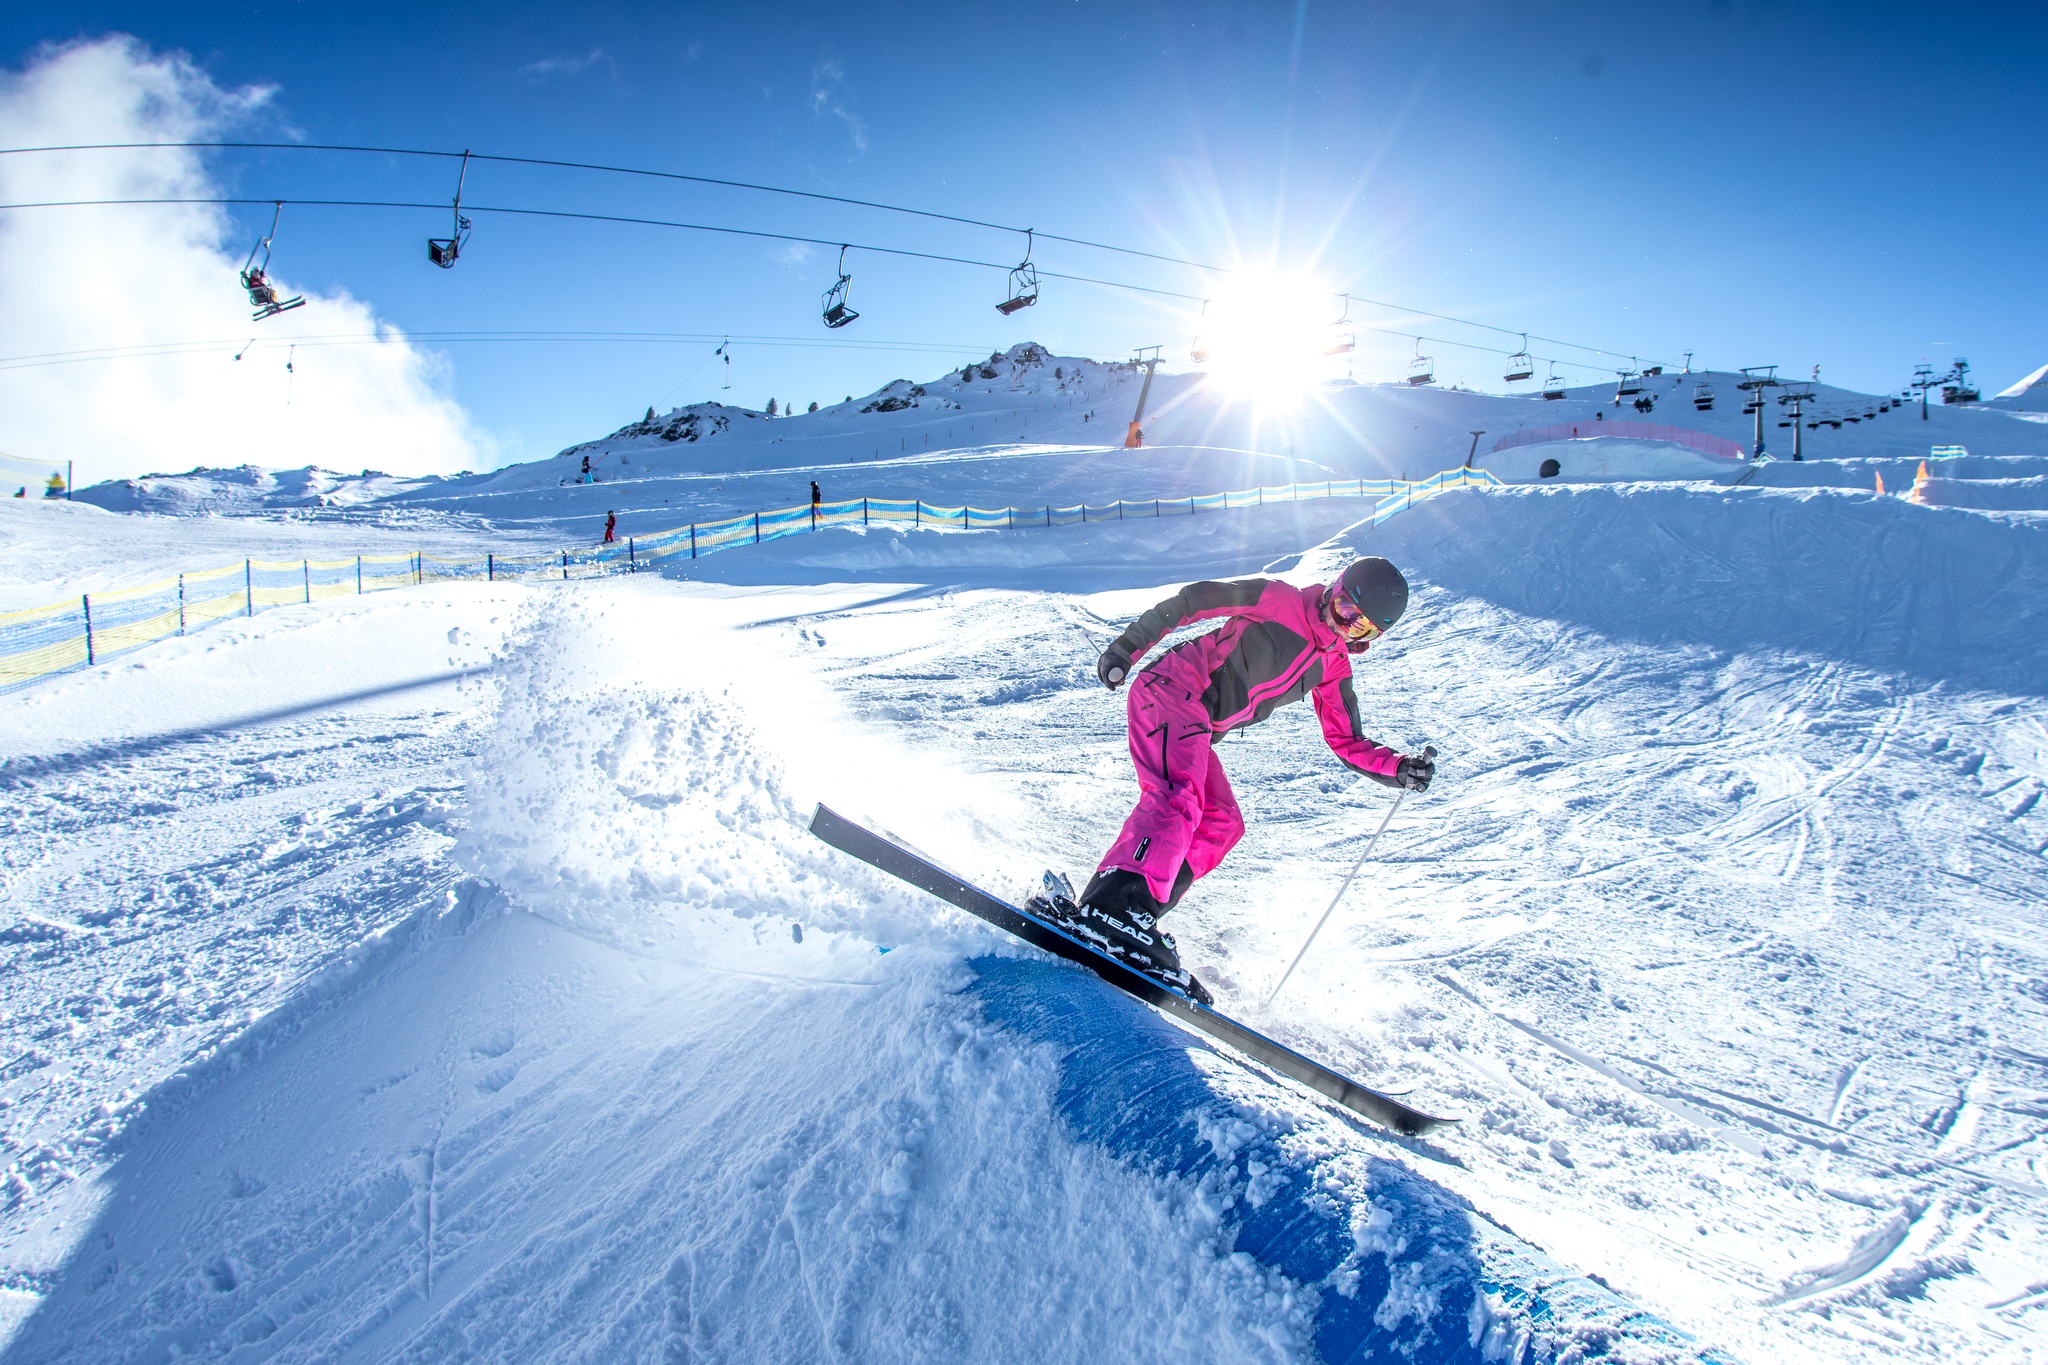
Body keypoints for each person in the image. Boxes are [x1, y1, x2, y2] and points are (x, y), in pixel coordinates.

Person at [1039, 558, 1434, 1004]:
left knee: (1222, 823)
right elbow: (1194, 602)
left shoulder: (1335, 666)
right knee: (1179, 797)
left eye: (1360, 628)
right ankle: (1114, 905)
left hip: (1198, 724)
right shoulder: (1280, 599)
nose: (1344, 625)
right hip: (1170, 690)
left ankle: (1135, 915)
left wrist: (1397, 767)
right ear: (1334, 589)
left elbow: (1345, 738)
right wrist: (1127, 648)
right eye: (1345, 607)